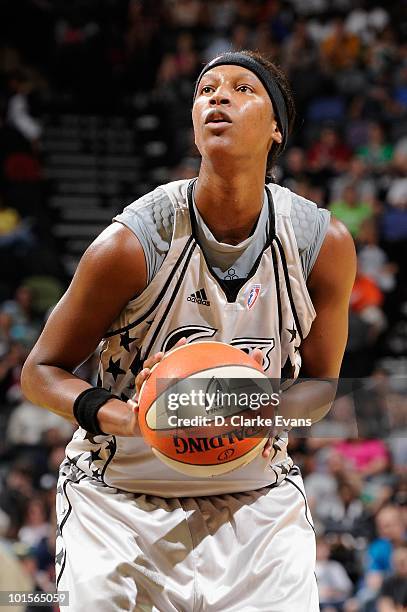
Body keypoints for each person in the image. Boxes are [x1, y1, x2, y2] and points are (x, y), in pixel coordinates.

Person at [21, 51, 356, 611]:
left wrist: (261, 411)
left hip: (253, 496)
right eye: (206, 89)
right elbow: (39, 372)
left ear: (277, 129)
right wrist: (124, 415)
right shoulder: (132, 244)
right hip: (120, 495)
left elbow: (322, 385)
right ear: (195, 123)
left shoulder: (320, 246)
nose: (218, 96)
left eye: (241, 88)